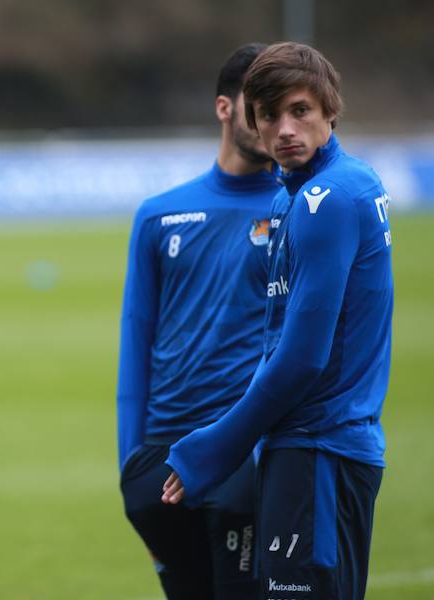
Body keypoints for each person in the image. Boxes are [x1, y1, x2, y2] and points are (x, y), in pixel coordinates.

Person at [163, 42, 393, 600]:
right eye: (269, 115)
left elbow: (301, 359)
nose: (285, 129)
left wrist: (215, 447)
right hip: (314, 448)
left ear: (329, 109)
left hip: (319, 450)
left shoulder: (327, 199)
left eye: (300, 110)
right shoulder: (301, 195)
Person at [116, 43, 277, 599]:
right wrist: (130, 465)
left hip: (244, 450)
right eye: (259, 106)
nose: (271, 121)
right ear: (224, 108)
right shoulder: (159, 215)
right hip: (162, 456)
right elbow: (136, 339)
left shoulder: (299, 209)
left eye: (282, 107)